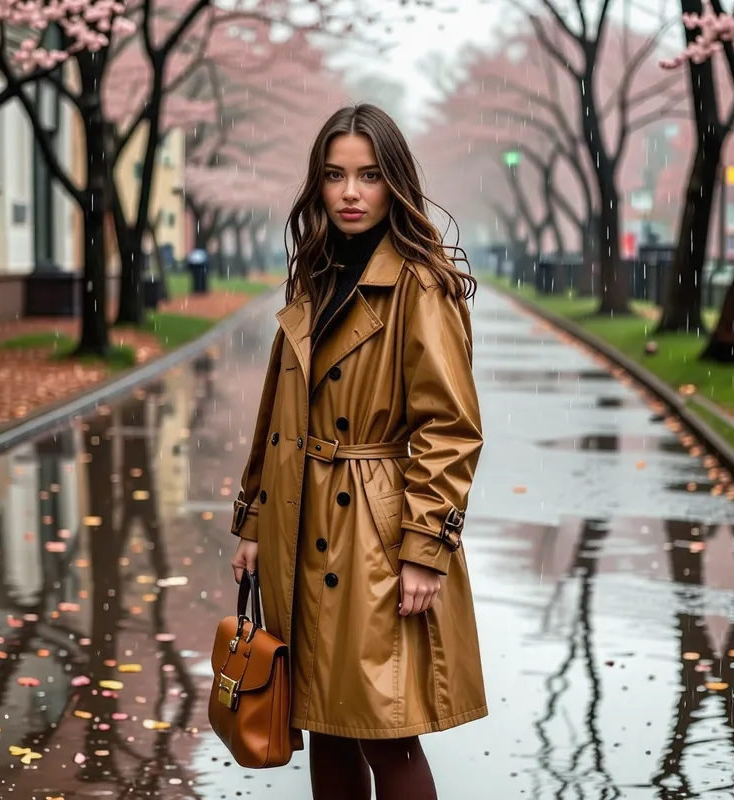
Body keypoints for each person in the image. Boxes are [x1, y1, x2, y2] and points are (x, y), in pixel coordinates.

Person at [229, 103, 486, 799]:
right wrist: (254, 521)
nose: (349, 192)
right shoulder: (314, 275)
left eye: (369, 175)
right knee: (322, 719)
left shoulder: (419, 283)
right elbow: (276, 414)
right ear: (317, 184)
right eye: (335, 175)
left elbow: (450, 428)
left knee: (386, 728)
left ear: (393, 182)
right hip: (300, 525)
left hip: (374, 534)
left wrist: (423, 549)